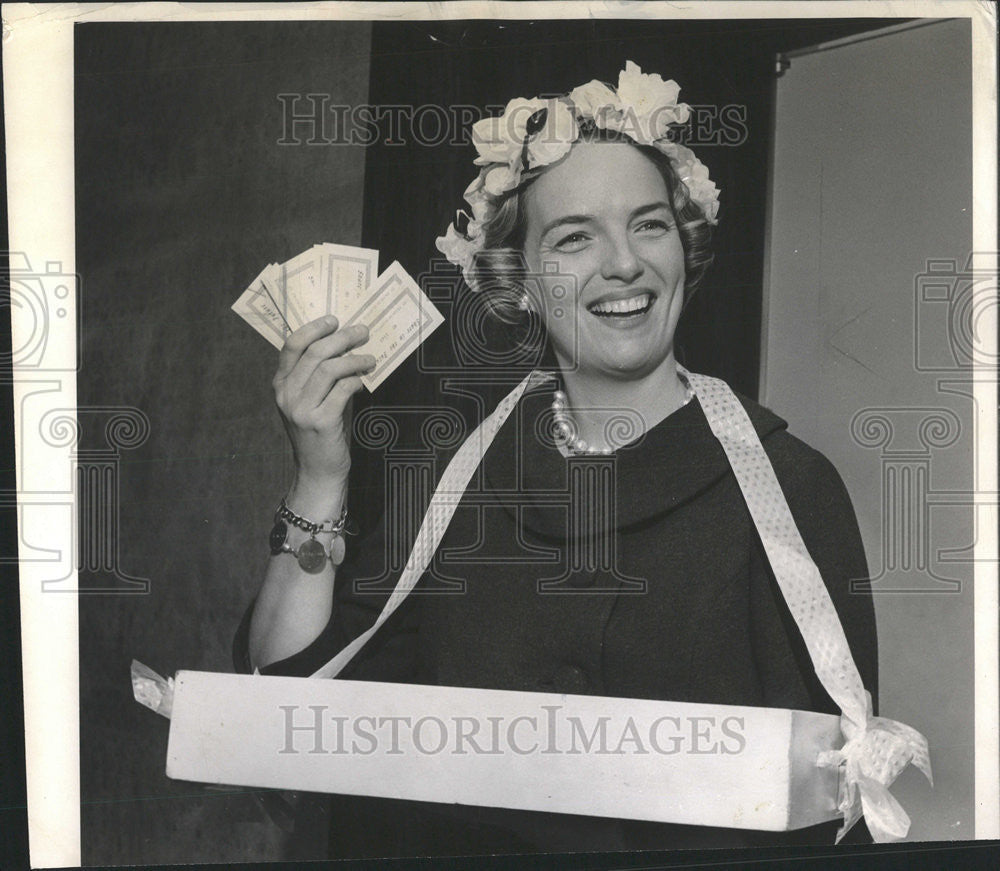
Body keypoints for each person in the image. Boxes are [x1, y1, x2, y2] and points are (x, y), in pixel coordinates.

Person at [234, 62, 880, 857]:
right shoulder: (455, 481)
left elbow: (830, 800)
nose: (625, 264)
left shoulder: (791, 487)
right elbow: (285, 703)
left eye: (649, 224)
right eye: (576, 237)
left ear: (684, 246)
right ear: (521, 281)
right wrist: (320, 472)